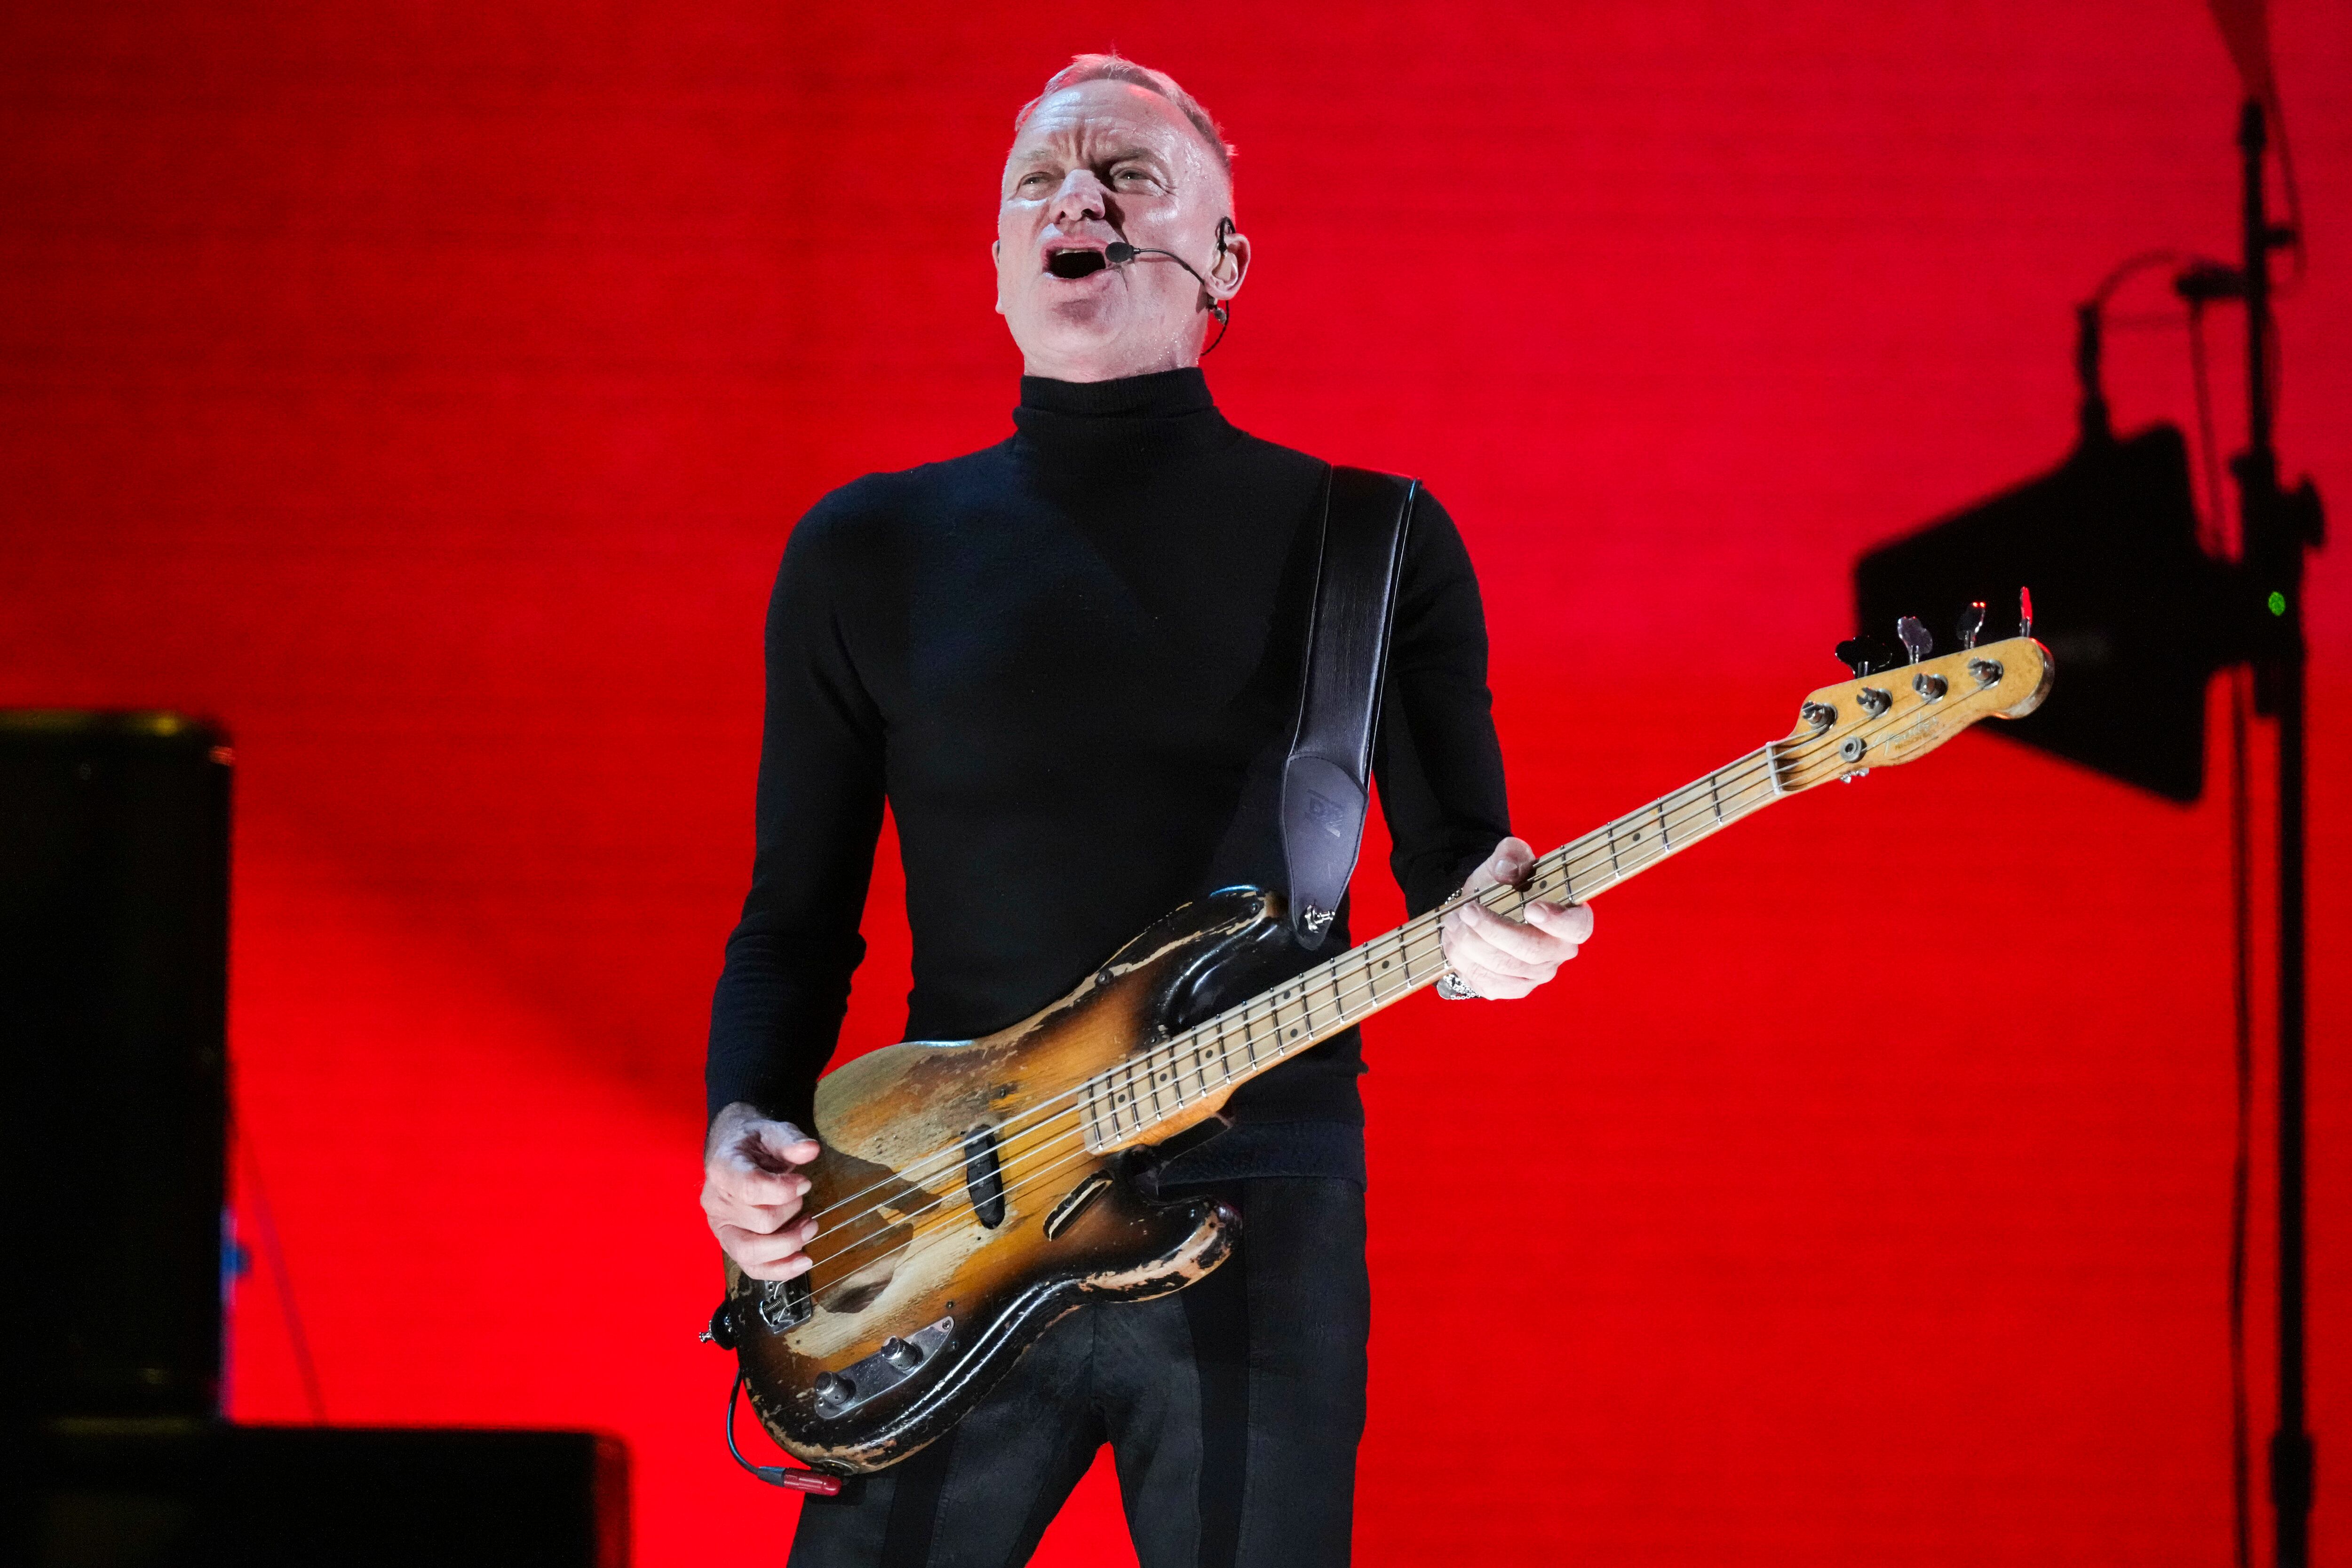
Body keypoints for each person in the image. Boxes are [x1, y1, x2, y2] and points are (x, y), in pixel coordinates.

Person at [699, 54, 1593, 1568]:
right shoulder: (865, 550)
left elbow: (1464, 884)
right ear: (996, 269)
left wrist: (1495, 940)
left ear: (1225, 257)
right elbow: (796, 916)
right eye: (1039, 182)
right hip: (937, 1217)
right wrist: (740, 1128)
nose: (1078, 200)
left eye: (1127, 174)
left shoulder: (1370, 542)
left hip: (1260, 1207)